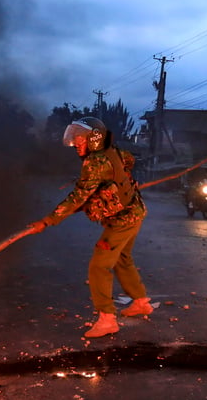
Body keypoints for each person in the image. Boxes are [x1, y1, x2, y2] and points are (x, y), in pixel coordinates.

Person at [29, 117, 153, 339]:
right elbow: (130, 160)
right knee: (122, 258)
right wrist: (114, 183)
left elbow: (78, 196)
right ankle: (141, 303)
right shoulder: (113, 151)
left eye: (79, 138)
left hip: (123, 220)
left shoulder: (95, 161)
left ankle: (107, 319)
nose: (76, 143)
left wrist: (47, 221)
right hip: (136, 211)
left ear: (93, 138)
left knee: (99, 265)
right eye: (75, 138)